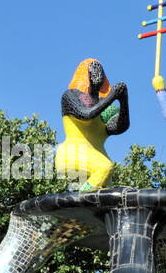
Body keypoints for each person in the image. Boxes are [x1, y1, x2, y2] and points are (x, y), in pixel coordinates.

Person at [55, 58, 130, 189]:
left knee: (106, 187)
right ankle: (82, 200)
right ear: (86, 73)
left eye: (100, 70)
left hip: (97, 156)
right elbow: (86, 114)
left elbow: (119, 127)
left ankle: (90, 205)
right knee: (105, 168)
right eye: (94, 69)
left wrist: (123, 100)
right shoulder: (70, 96)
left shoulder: (107, 107)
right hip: (72, 154)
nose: (98, 75)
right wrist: (112, 96)